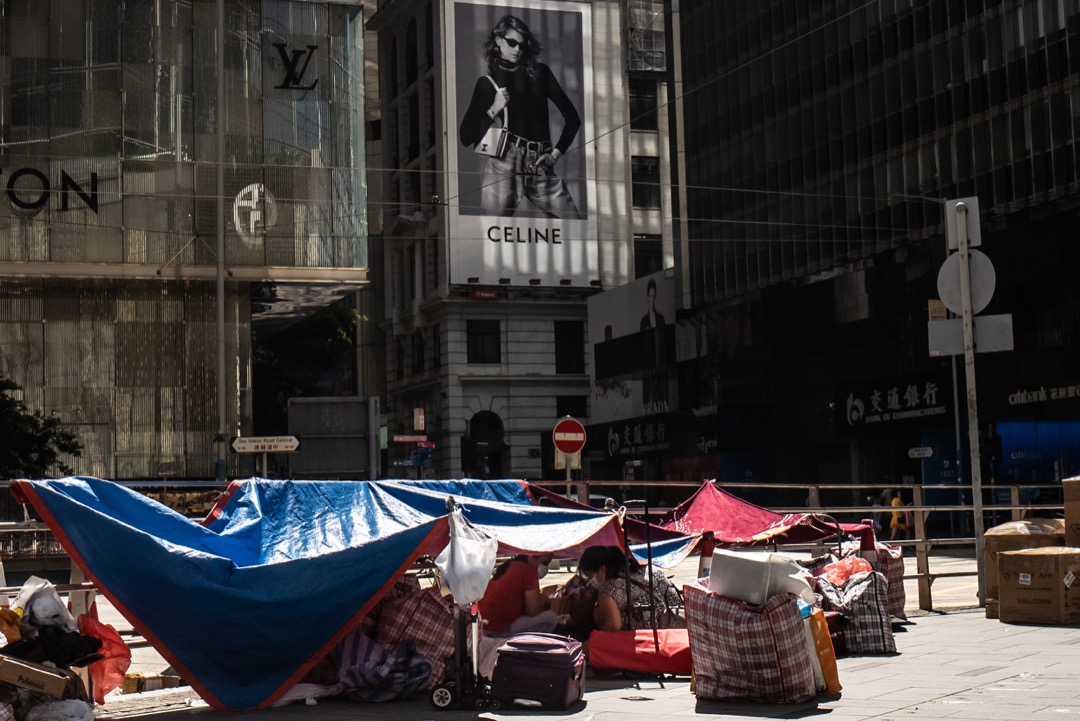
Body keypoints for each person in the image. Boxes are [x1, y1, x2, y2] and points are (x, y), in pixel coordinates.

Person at [459, 14, 582, 218]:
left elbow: (573, 118)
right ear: (498, 40)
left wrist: (555, 155)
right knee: (492, 233)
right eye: (512, 43)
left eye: (522, 45)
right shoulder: (487, 83)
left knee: (575, 226)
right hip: (505, 161)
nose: (517, 49)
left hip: (541, 163)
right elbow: (466, 136)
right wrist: (494, 109)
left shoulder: (540, 73)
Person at [577, 545, 681, 632]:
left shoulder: (607, 590)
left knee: (599, 613)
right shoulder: (648, 570)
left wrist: (595, 639)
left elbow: (614, 626)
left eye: (590, 576)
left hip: (644, 637)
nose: (590, 581)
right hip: (674, 628)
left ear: (602, 568)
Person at [477, 553, 557, 636]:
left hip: (484, 625)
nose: (545, 567)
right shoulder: (529, 569)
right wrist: (544, 599)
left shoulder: (511, 565)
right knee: (550, 618)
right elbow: (533, 610)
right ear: (531, 557)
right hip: (497, 629)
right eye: (544, 563)